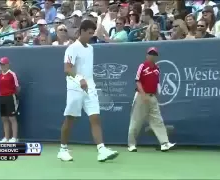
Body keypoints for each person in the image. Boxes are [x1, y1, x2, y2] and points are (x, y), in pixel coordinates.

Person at [57, 20, 119, 162]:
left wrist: (87, 82)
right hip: (75, 87)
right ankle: (63, 149)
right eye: (89, 33)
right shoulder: (72, 48)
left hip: (90, 87)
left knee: (95, 117)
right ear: (82, 31)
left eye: (93, 33)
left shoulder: (91, 48)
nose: (91, 36)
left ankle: (101, 149)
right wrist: (80, 79)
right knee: (70, 119)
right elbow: (67, 69)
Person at [128, 47, 176, 152]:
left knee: (158, 120)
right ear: (147, 55)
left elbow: (157, 83)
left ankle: (164, 143)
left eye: (154, 54)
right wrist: (143, 94)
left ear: (156, 56)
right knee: (136, 121)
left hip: (152, 97)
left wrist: (156, 95)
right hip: (141, 96)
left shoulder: (157, 68)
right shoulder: (142, 66)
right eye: (150, 54)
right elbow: (137, 81)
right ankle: (131, 144)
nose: (152, 56)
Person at [0, 57, 20, 143]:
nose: (1, 66)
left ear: (7, 65)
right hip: (1, 98)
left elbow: (17, 87)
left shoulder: (12, 74)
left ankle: (14, 138)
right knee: (4, 118)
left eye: (3, 64)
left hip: (10, 97)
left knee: (12, 118)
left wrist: (14, 96)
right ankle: (6, 138)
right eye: (0, 64)